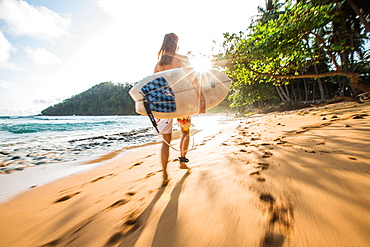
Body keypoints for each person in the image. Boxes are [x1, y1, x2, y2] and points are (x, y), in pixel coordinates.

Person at [154, 33, 205, 186]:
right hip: (182, 103)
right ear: (176, 44)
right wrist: (201, 99)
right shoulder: (182, 59)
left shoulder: (158, 65)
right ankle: (182, 160)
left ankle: (164, 175)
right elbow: (194, 79)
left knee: (165, 139)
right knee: (185, 131)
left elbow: (156, 87)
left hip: (163, 105)